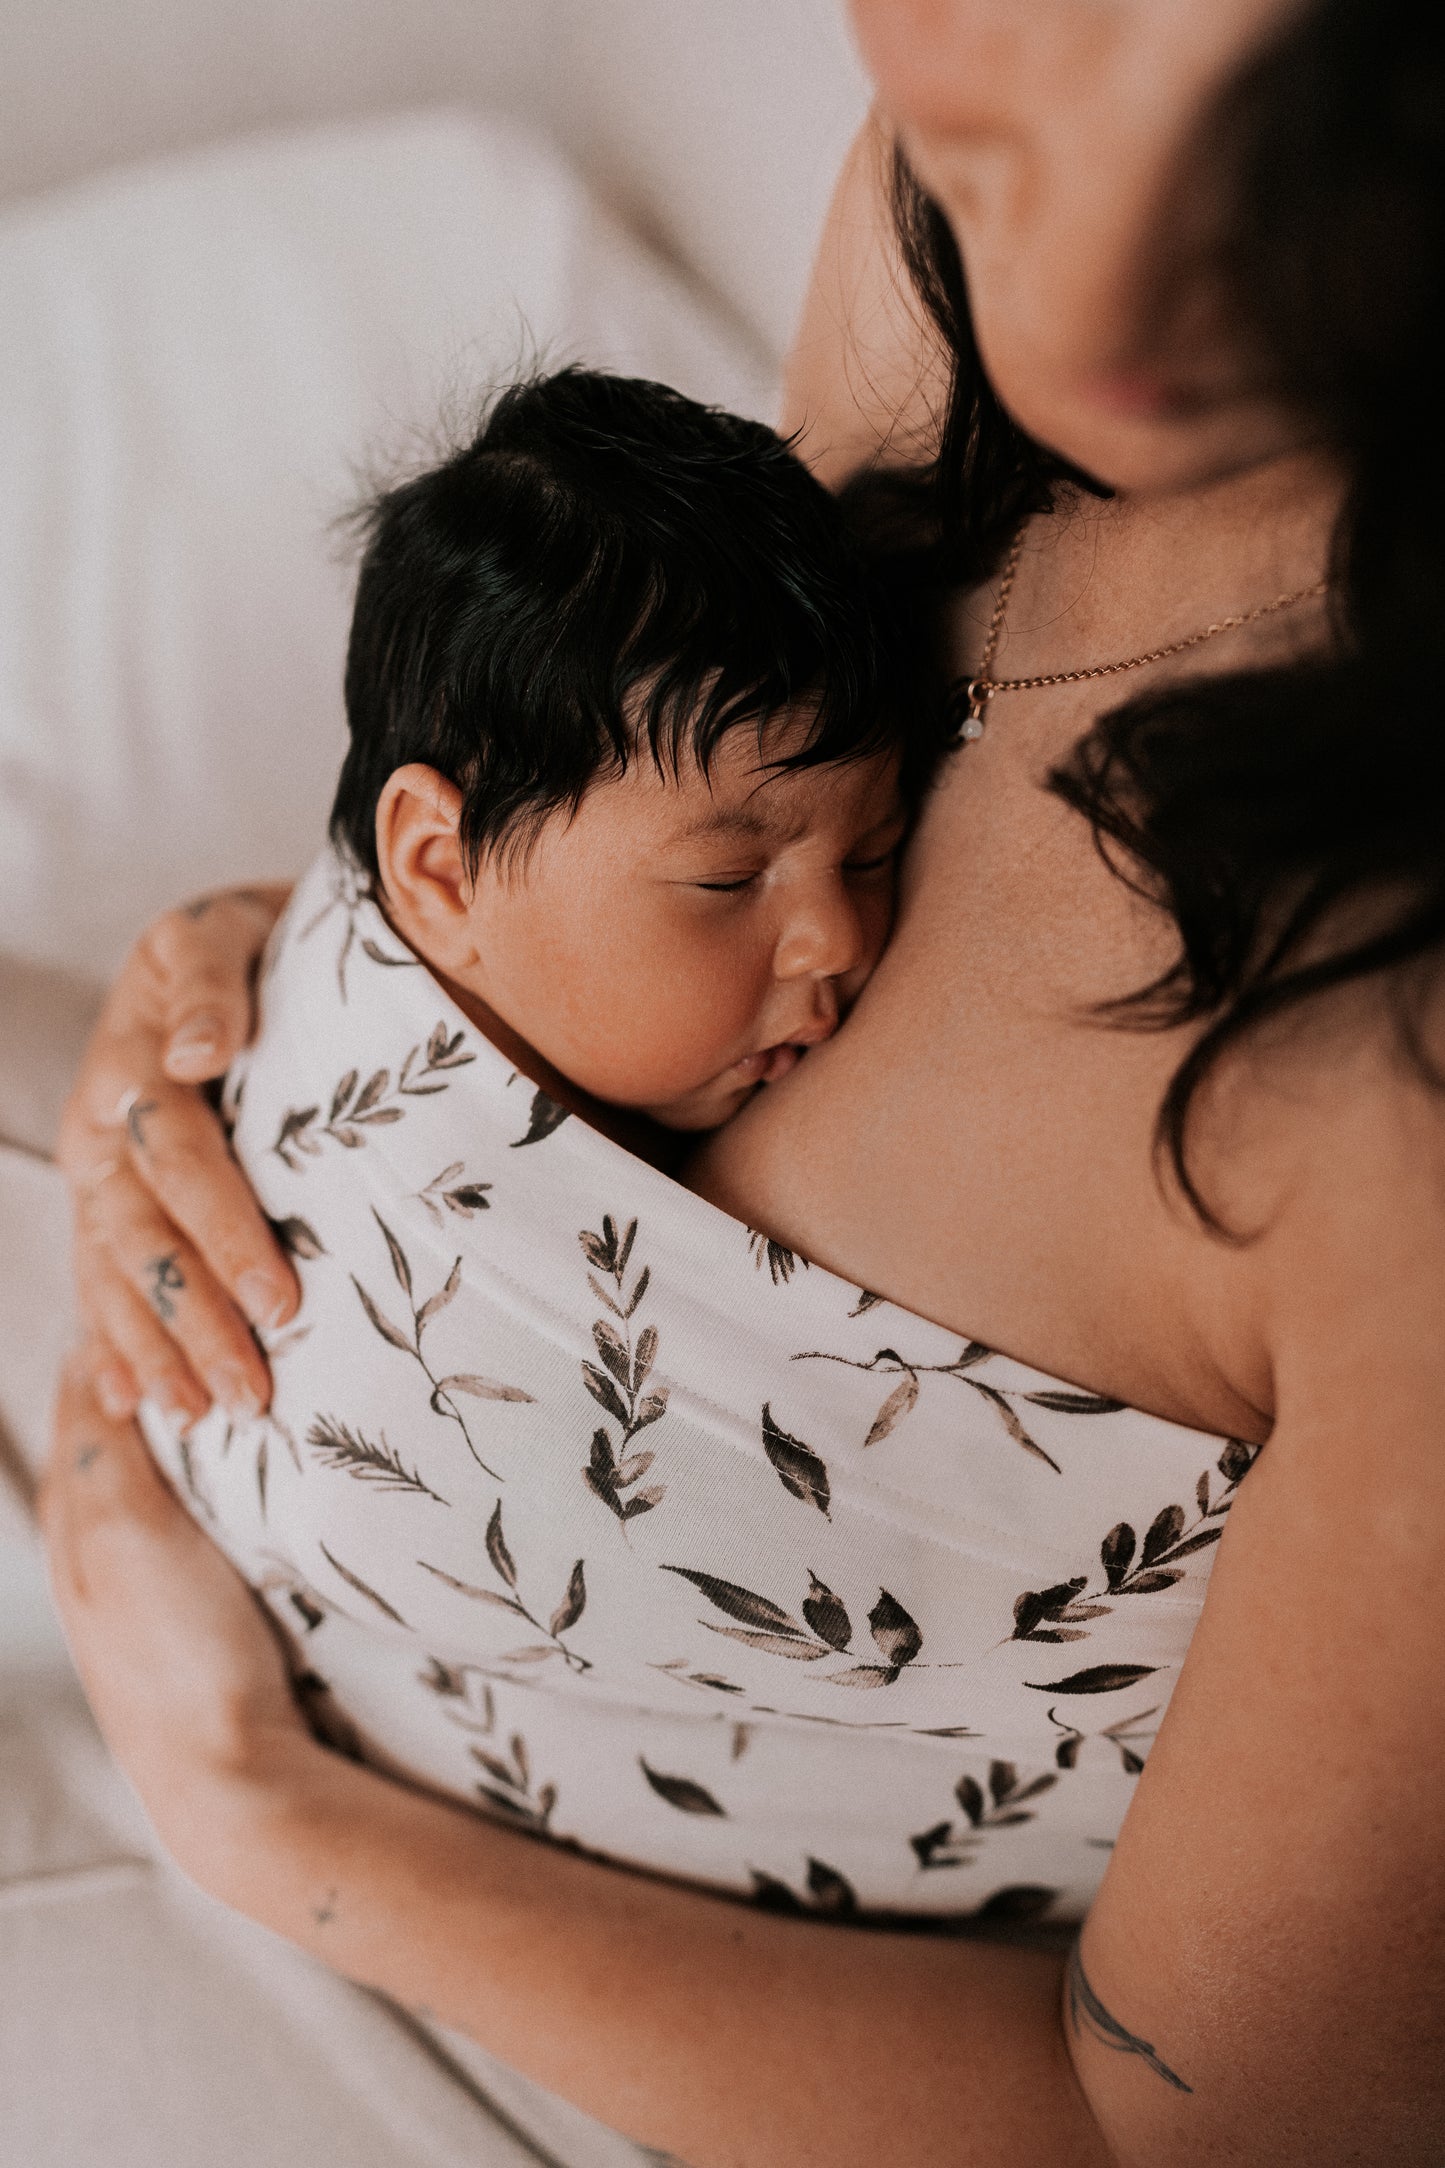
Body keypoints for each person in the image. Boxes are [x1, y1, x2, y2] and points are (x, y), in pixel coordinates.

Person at [45, 0, 1445, 2162]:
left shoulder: (1391, 1078)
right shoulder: (939, 225)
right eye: (983, 99)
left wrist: (257, 1813)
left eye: (1289, 168)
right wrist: (306, 980)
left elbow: (1182, 2129)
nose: (1034, 273)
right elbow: (657, 792)